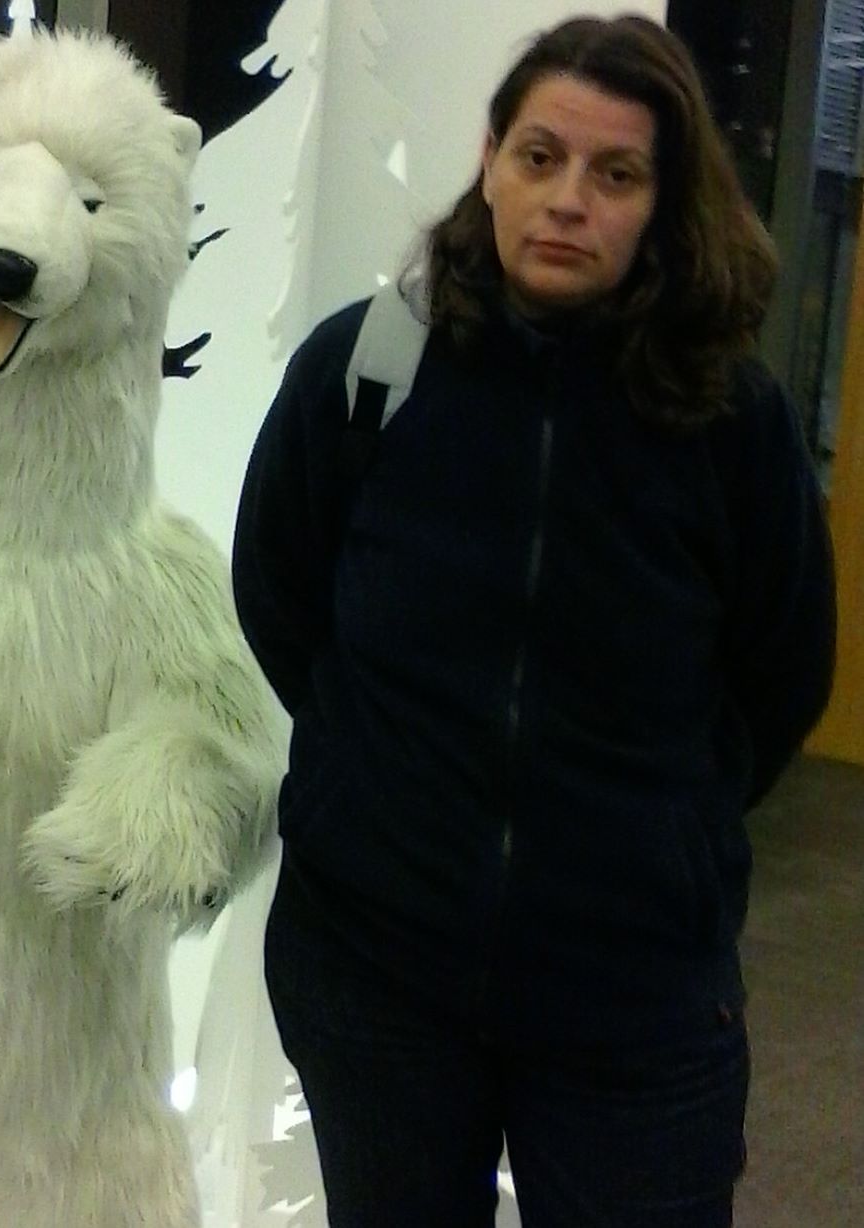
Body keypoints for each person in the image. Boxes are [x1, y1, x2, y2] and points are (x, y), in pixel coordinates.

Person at [231, 14, 836, 1228]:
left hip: (632, 999)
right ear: (490, 160)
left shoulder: (728, 417)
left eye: (616, 174)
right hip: (379, 975)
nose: (568, 201)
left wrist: (661, 832)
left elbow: (780, 670)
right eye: (540, 157)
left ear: (663, 201)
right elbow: (282, 597)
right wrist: (375, 784)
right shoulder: (368, 370)